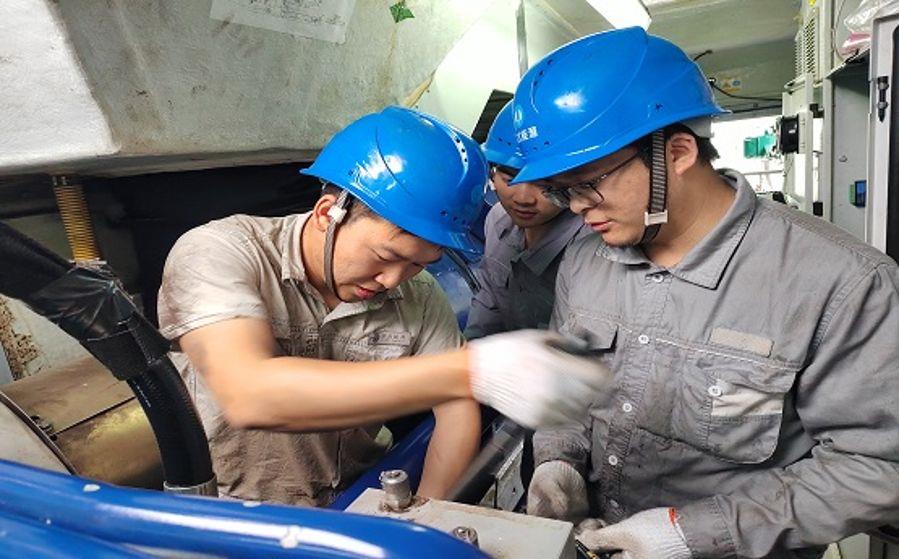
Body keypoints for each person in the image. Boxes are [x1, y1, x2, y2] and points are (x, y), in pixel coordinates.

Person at [516, 28, 899, 558]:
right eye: (561, 191)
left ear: (676, 153)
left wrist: (692, 533)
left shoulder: (842, 283)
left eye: (587, 183)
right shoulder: (584, 260)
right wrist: (558, 460)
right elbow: (568, 392)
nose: (577, 207)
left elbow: (876, 465)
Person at [157, 106, 611, 507]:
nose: (393, 281)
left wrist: (424, 519)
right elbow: (249, 393)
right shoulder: (220, 252)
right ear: (328, 213)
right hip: (231, 515)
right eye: (387, 256)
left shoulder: (420, 296)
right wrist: (473, 370)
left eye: (419, 264)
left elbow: (456, 413)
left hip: (356, 501)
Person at [465, 100, 586, 339]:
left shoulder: (591, 246)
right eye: (510, 178)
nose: (523, 198)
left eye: (544, 184)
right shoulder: (497, 220)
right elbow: (489, 302)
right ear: (492, 172)